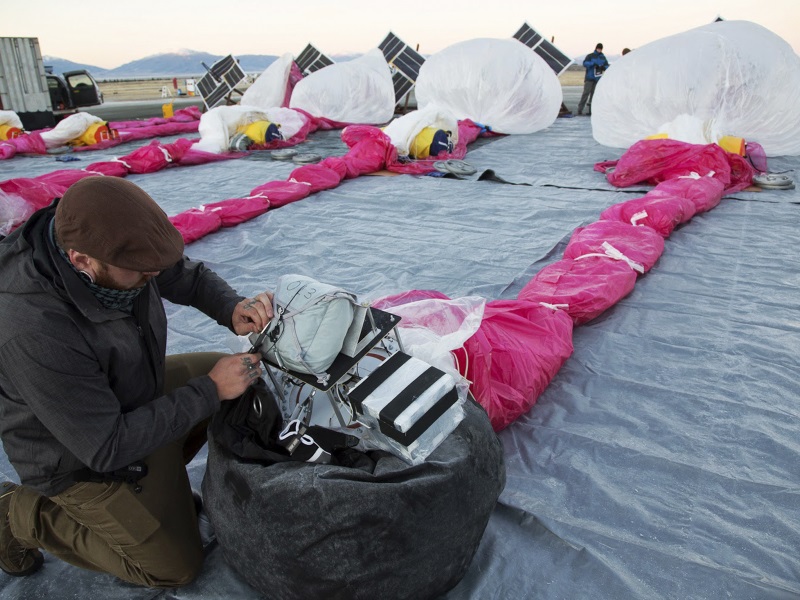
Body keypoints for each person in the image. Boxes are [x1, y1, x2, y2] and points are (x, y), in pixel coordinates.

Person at [0, 177, 275, 587]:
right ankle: (17, 515)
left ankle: (155, 485)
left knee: (237, 374)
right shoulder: (32, 325)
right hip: (77, 458)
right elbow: (105, 445)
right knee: (173, 566)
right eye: (142, 274)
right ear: (81, 262)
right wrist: (209, 390)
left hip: (130, 394)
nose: (153, 277)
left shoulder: (100, 236)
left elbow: (179, 274)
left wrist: (231, 306)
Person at [577, 43, 610, 116]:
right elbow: (585, 63)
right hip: (589, 78)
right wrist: (593, 64)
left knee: (594, 95)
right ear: (596, 48)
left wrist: (604, 67)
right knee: (586, 93)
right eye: (598, 48)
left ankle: (591, 110)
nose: (599, 50)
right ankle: (580, 109)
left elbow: (607, 65)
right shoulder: (590, 56)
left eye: (600, 49)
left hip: (597, 79)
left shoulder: (603, 57)